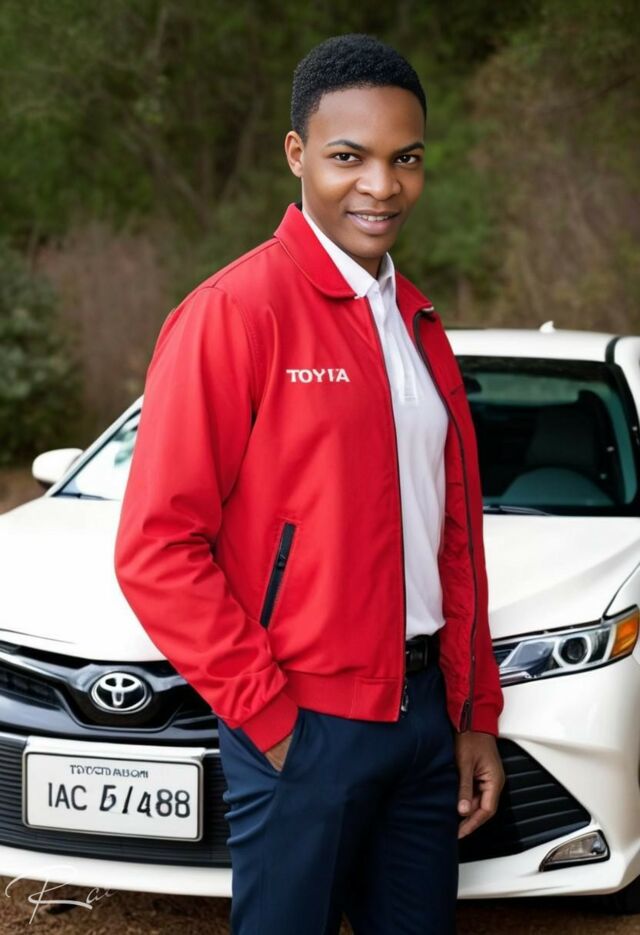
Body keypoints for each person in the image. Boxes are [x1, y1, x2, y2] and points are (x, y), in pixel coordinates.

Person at [114, 32, 505, 935]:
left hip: (424, 723)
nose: (382, 185)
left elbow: (453, 539)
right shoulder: (234, 313)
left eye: (406, 159)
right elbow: (156, 548)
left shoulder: (417, 321)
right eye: (348, 157)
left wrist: (472, 711)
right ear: (297, 154)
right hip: (303, 722)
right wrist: (269, 714)